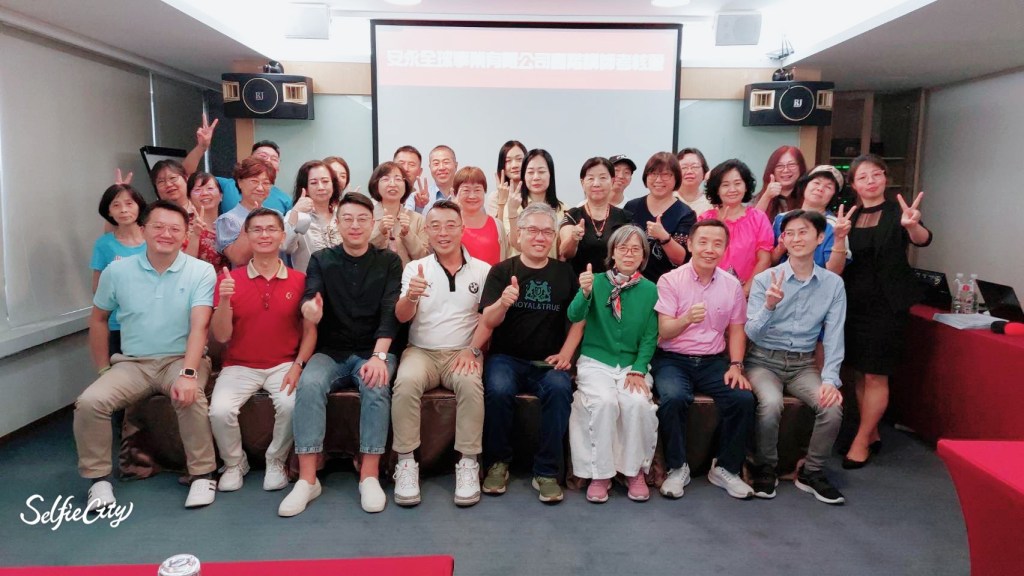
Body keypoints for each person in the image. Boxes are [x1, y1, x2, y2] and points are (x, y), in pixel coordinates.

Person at [76, 200, 218, 511]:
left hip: (180, 359)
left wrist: (189, 373)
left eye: (175, 229)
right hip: (133, 364)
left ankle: (202, 474)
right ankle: (99, 480)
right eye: (158, 226)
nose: (166, 234)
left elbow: (200, 327)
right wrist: (103, 369)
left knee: (190, 397)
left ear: (185, 235)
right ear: (143, 230)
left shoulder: (201, 271)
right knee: (90, 402)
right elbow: (98, 319)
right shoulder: (117, 271)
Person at [278, 192, 402, 516]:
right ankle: (307, 480)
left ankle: (369, 475)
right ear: (338, 222)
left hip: (373, 350)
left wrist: (379, 356)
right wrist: (311, 309)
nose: (355, 225)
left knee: (376, 383)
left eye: (362, 219)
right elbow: (310, 297)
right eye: (347, 219)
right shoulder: (321, 259)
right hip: (331, 351)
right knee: (309, 384)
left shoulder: (389, 261)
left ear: (372, 223)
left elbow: (390, 311)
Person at [390, 201, 492, 507]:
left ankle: (468, 462)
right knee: (405, 383)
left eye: (450, 225)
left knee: (471, 385)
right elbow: (402, 316)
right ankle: (406, 462)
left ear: (462, 229)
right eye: (435, 226)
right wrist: (411, 296)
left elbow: (487, 320)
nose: (443, 232)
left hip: (462, 352)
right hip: (421, 351)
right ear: (427, 231)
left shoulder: (482, 270)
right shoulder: (415, 268)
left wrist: (473, 350)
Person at [208, 208, 317, 493]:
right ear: (246, 235)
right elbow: (221, 335)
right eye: (257, 229)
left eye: (271, 229)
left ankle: (276, 460)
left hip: (284, 363)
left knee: (291, 405)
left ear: (282, 236)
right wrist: (224, 300)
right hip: (238, 365)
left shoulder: (300, 280)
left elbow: (310, 332)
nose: (264, 235)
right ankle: (235, 463)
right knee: (219, 410)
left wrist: (298, 365)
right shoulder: (229, 279)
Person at [477, 203, 580, 503]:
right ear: (519, 235)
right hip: (506, 358)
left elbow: (579, 319)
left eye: (547, 232)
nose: (540, 237)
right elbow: (488, 321)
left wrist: (566, 353)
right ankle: (497, 463)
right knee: (497, 389)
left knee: (560, 390)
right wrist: (503, 302)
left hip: (547, 361)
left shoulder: (564, 273)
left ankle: (546, 471)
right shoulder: (502, 271)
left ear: (554, 237)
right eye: (532, 230)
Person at [745, 210, 846, 505]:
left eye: (804, 232)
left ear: (820, 237)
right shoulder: (765, 279)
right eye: (789, 233)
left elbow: (834, 335)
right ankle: (766, 467)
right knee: (770, 403)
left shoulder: (833, 284)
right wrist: (769, 306)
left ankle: (812, 472)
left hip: (803, 364)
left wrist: (830, 379)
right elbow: (751, 332)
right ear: (783, 239)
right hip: (763, 360)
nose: (796, 238)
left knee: (832, 408)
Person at [651, 220, 755, 500]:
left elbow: (737, 329)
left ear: (725, 248)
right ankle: (677, 468)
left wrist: (736, 365)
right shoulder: (670, 280)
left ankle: (725, 469)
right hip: (672, 358)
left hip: (712, 361)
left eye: (717, 244)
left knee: (743, 398)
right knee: (673, 398)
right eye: (703, 242)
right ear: (690, 244)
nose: (710, 249)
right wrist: (686, 319)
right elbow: (664, 331)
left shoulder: (732, 285)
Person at [842, 154, 932, 468]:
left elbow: (923, 240)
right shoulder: (849, 216)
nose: (870, 181)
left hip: (887, 304)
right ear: (853, 184)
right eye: (863, 176)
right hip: (853, 303)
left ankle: (860, 440)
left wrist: (913, 225)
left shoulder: (900, 212)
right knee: (859, 371)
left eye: (876, 174)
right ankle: (872, 431)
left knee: (875, 373)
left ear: (885, 178)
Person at [568, 226, 659, 503]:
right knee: (604, 402)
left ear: (643, 255)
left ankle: (634, 471)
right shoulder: (595, 281)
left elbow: (650, 335)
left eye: (635, 249)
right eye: (622, 248)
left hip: (632, 364)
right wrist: (584, 292)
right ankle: (600, 474)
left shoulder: (650, 289)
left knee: (637, 403)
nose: (629, 254)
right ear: (613, 253)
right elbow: (574, 315)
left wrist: (639, 368)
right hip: (596, 361)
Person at [182, 114, 293, 214]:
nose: (267, 161)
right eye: (263, 156)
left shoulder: (285, 200)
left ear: (278, 168)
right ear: (250, 160)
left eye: (274, 159)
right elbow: (186, 175)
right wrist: (201, 147)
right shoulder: (227, 185)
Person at [697, 159, 774, 295]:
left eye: (737, 183)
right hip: (708, 292)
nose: (732, 189)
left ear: (746, 186)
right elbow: (699, 257)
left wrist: (744, 292)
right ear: (717, 189)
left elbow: (764, 260)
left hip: (749, 294)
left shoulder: (758, 218)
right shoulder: (705, 219)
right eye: (725, 185)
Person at [216, 158, 303, 268]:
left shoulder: (277, 215)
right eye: (254, 181)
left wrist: (296, 213)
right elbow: (238, 258)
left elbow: (287, 248)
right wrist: (252, 220)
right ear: (240, 182)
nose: (260, 188)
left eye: (266, 183)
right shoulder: (228, 220)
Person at [91, 184, 147, 356]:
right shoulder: (104, 244)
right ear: (109, 212)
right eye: (116, 205)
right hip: (118, 325)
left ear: (139, 206)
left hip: (153, 323)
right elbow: (97, 288)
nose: (123, 210)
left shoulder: (154, 239)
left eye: (129, 203)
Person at [623, 152, 694, 283]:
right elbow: (620, 245)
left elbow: (681, 259)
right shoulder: (631, 207)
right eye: (653, 174)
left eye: (666, 174)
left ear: (676, 178)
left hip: (668, 285)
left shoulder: (685, 214)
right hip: (630, 283)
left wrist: (664, 237)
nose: (658, 180)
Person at [770, 165, 855, 274]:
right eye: (816, 183)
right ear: (805, 185)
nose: (820, 189)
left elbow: (835, 271)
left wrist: (839, 238)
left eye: (828, 187)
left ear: (833, 196)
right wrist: (780, 248)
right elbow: (769, 261)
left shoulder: (835, 226)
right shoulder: (781, 218)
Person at [559, 157, 633, 275]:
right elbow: (565, 252)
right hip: (579, 283)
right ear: (582, 183)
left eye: (603, 178)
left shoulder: (625, 217)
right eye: (590, 178)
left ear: (612, 181)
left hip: (615, 283)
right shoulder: (573, 215)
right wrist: (573, 238)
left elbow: (632, 254)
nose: (596, 184)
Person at [505, 149, 564, 258]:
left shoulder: (562, 209)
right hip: (519, 267)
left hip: (552, 267)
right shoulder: (513, 205)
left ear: (550, 174)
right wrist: (512, 211)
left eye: (541, 172)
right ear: (523, 176)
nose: (536, 177)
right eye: (530, 172)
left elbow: (563, 251)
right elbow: (516, 244)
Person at [284, 160, 342, 273]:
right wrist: (296, 211)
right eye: (314, 183)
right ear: (305, 188)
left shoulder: (342, 214)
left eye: (325, 181)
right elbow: (286, 247)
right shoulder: (295, 214)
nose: (321, 187)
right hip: (309, 281)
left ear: (333, 185)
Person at [369, 161, 430, 267]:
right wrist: (380, 232)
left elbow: (424, 258)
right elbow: (358, 253)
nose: (392, 184)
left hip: (408, 277)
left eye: (398, 179)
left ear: (405, 185)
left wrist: (408, 234)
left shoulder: (418, 219)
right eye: (386, 179)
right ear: (376, 185)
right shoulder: (366, 217)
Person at [453, 166, 510, 265]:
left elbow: (505, 260)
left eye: (477, 190)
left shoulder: (497, 225)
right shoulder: (451, 226)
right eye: (466, 190)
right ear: (456, 193)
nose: (472, 196)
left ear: (484, 192)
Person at [185, 172, 229, 270]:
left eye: (210, 188)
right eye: (197, 190)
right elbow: (184, 265)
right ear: (189, 198)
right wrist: (195, 235)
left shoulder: (230, 224)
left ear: (221, 195)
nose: (204, 193)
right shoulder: (183, 226)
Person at [752, 145, 808, 221]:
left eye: (791, 165)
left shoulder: (809, 196)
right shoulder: (758, 199)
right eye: (779, 166)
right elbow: (752, 224)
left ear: (800, 167)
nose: (785, 170)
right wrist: (767, 196)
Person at [405, 145, 458, 214]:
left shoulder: (466, 195)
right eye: (436, 164)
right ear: (430, 167)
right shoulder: (416, 197)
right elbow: (406, 219)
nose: (441, 168)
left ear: (456, 165)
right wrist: (419, 207)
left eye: (446, 162)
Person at [486, 140, 527, 218]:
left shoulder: (534, 193)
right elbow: (497, 225)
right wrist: (501, 200)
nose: (514, 165)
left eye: (519, 159)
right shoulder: (495, 197)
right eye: (508, 161)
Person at [675, 148, 714, 216]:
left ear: (704, 171)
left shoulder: (711, 203)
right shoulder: (668, 199)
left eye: (695, 167)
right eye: (684, 167)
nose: (689, 171)